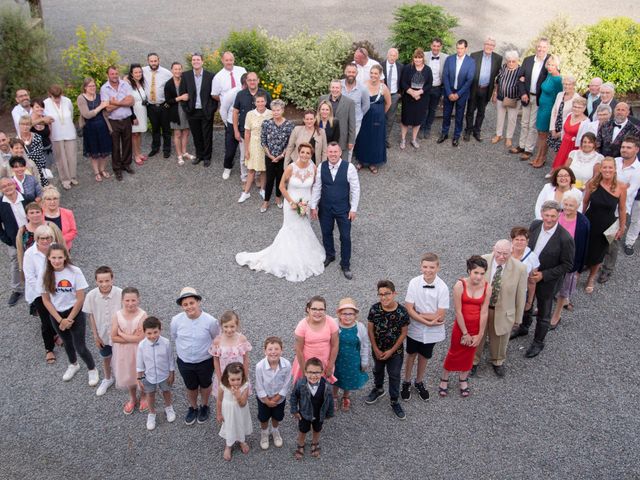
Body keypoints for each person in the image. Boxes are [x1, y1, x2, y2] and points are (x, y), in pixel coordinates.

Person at [236, 143, 326, 282]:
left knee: (304, 227)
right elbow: (281, 186)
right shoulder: (291, 167)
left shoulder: (313, 168)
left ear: (311, 155)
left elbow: (315, 186)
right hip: (291, 203)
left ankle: (303, 253)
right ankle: (287, 256)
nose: (305, 155)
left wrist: (311, 204)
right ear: (299, 152)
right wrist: (291, 202)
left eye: (308, 153)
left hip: (305, 203)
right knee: (291, 228)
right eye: (302, 152)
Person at [510, 201, 575, 358]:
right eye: (546, 215)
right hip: (528, 275)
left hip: (548, 281)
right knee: (526, 301)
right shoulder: (535, 225)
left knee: (544, 312)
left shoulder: (565, 238)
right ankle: (524, 327)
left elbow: (568, 265)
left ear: (559, 215)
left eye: (553, 216)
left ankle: (538, 341)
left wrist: (544, 275)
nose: (549, 219)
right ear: (541, 213)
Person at [38, 242, 99, 384]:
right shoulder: (45, 274)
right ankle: (73, 364)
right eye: (53, 258)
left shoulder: (74, 271)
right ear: (48, 258)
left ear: (65, 256)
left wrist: (69, 319)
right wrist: (60, 320)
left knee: (80, 346)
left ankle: (92, 369)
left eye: (60, 257)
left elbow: (80, 298)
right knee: (66, 342)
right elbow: (46, 301)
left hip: (74, 313)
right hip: (57, 314)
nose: (57, 261)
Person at [471, 240, 526, 378]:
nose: (501, 257)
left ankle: (497, 361)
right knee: (478, 335)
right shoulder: (482, 260)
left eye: (505, 254)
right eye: (499, 253)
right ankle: (473, 361)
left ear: (511, 252)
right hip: (481, 309)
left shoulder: (520, 268)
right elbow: (471, 284)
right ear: (493, 249)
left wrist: (518, 319)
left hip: (503, 311)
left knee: (500, 338)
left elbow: (520, 295)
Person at [439, 256, 491, 397]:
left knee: (469, 354)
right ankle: (445, 377)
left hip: (476, 326)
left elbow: (485, 311)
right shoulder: (460, 285)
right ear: (469, 271)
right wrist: (465, 333)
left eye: (482, 273)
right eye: (476, 273)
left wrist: (480, 334)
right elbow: (458, 311)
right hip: (461, 326)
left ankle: (463, 379)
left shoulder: (487, 287)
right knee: (454, 351)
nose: (479, 277)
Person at [310, 142, 361, 280]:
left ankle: (345, 264)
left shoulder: (349, 167)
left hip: (343, 209)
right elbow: (317, 187)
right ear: (327, 153)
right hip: (325, 208)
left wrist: (353, 209)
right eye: (330, 152)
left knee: (345, 236)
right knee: (326, 233)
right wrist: (313, 206)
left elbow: (355, 189)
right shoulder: (321, 166)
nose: (332, 154)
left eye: (335, 152)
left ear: (340, 153)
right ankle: (330, 255)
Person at [403, 252, 449, 401]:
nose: (428, 270)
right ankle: (407, 381)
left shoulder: (443, 288)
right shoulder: (413, 283)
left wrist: (419, 314)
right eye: (425, 267)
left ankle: (419, 381)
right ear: (420, 266)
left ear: (438, 268)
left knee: (424, 356)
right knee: (411, 354)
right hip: (415, 330)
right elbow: (408, 308)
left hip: (432, 332)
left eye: (431, 267)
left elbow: (440, 315)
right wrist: (428, 319)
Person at [170, 287, 219, 425]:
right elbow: (174, 336)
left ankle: (204, 405)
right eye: (185, 304)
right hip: (185, 361)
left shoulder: (210, 321)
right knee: (190, 386)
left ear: (198, 302)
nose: (189, 307)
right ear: (181, 306)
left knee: (205, 384)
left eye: (191, 303)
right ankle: (193, 407)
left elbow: (216, 337)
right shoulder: (176, 321)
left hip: (205, 361)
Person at [365, 279, 410, 420]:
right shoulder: (374, 309)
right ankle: (378, 389)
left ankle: (394, 400)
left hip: (395, 352)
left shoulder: (402, 312)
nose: (384, 297)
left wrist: (391, 351)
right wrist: (375, 348)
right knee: (377, 370)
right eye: (381, 294)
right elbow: (370, 330)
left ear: (394, 293)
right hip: (377, 349)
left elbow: (404, 333)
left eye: (387, 294)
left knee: (394, 375)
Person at [583, 157, 627, 291]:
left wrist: (621, 227)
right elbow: (585, 202)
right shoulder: (593, 183)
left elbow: (622, 209)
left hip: (607, 225)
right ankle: (578, 272)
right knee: (585, 248)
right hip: (590, 221)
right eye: (605, 167)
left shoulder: (621, 187)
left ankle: (591, 277)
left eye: (610, 167)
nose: (607, 170)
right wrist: (581, 220)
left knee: (599, 253)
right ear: (601, 169)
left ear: (614, 169)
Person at [599, 138, 640, 278]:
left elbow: (628, 191)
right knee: (598, 235)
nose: (625, 149)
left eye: (629, 147)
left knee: (612, 241)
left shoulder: (638, 170)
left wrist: (610, 184)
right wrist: (620, 186)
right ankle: (595, 261)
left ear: (636, 150)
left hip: (619, 211)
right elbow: (601, 178)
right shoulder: (614, 161)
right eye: (623, 147)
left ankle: (607, 269)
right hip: (603, 206)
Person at [549, 191, 590, 327]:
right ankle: (545, 307)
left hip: (569, 262)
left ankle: (557, 314)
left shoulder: (583, 223)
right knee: (549, 285)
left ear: (578, 205)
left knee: (564, 289)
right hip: (552, 259)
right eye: (565, 204)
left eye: (571, 205)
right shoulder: (556, 215)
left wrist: (578, 269)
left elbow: (583, 246)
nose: (567, 208)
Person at [22, 225, 62, 362]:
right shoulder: (29, 254)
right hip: (39, 292)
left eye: (48, 238)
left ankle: (56, 335)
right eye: (42, 238)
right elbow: (30, 277)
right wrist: (44, 292)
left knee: (57, 314)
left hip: (56, 289)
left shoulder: (55, 247)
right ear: (37, 238)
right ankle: (49, 348)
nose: (45, 241)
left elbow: (62, 265)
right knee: (45, 320)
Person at [83, 265, 122, 397]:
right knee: (106, 357)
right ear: (96, 281)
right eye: (101, 281)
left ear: (112, 279)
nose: (104, 284)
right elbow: (91, 315)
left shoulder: (121, 293)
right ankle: (107, 378)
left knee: (121, 356)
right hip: (103, 334)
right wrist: (95, 335)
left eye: (107, 280)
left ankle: (123, 377)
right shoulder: (91, 296)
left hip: (118, 334)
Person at [111, 287, 147, 414]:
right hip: (123, 351)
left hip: (139, 351)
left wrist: (123, 335)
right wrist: (133, 338)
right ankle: (132, 398)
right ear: (122, 300)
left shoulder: (142, 315)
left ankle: (143, 395)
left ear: (138, 300)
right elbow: (114, 337)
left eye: (133, 300)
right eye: (127, 300)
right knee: (127, 374)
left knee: (140, 373)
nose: (130, 303)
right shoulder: (117, 315)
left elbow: (142, 337)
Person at [136, 316, 176, 431]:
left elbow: (170, 359)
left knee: (166, 391)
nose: (152, 336)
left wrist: (172, 373)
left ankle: (169, 407)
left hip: (164, 374)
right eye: (149, 333)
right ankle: (152, 413)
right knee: (150, 394)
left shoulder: (166, 343)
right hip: (149, 376)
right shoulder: (142, 346)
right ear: (144, 332)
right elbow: (140, 363)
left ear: (160, 330)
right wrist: (139, 378)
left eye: (155, 332)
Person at [291, 357, 335, 460]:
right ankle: (301, 445)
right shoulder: (300, 384)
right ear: (305, 372)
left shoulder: (327, 386)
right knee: (303, 430)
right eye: (310, 372)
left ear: (322, 373)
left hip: (319, 414)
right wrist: (294, 410)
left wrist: (329, 413)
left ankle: (315, 443)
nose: (313, 375)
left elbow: (330, 400)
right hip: (304, 414)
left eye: (316, 372)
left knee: (317, 429)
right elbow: (294, 397)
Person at [179, 53, 216, 167]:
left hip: (206, 111)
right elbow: (182, 93)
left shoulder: (210, 76)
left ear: (202, 61)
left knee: (207, 135)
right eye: (194, 60)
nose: (196, 61)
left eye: (198, 60)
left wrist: (212, 110)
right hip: (192, 111)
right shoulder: (186, 76)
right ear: (192, 62)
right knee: (196, 135)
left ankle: (207, 157)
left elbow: (214, 95)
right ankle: (199, 155)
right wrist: (186, 109)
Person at [515, 38, 550, 160]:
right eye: (539, 46)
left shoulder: (550, 61)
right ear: (536, 47)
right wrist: (523, 93)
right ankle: (521, 145)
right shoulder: (528, 60)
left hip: (539, 98)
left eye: (544, 47)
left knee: (532, 125)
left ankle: (529, 149)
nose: (541, 49)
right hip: (526, 96)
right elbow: (520, 78)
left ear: (548, 48)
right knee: (524, 123)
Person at [332, 297, 369, 412]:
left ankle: (346, 396)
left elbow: (364, 345)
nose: (347, 316)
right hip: (336, 359)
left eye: (350, 314)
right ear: (339, 314)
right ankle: (334, 396)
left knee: (349, 378)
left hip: (353, 359)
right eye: (344, 313)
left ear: (355, 315)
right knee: (335, 378)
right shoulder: (333, 324)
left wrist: (364, 361)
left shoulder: (360, 327)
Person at [255, 336, 291, 450]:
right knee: (264, 417)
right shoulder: (259, 366)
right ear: (265, 351)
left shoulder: (287, 365)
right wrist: (266, 401)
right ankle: (264, 433)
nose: (273, 352)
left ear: (282, 350)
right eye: (270, 349)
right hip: (264, 399)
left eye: (276, 349)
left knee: (277, 416)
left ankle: (275, 431)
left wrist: (276, 399)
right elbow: (259, 385)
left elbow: (287, 383)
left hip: (279, 398)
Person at [233, 72, 272, 178]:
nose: (252, 82)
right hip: (244, 132)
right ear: (246, 81)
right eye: (250, 80)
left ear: (258, 80)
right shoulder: (240, 94)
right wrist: (235, 130)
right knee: (244, 157)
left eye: (254, 80)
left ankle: (258, 177)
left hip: (261, 135)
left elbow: (271, 113)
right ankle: (245, 178)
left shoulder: (265, 94)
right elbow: (235, 112)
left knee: (260, 157)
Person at [291, 296, 339, 382]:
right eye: (314, 309)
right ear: (308, 309)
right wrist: (304, 371)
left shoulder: (331, 322)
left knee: (323, 389)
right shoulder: (302, 326)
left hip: (324, 363)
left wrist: (330, 366)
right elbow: (299, 350)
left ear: (325, 310)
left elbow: (335, 345)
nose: (317, 312)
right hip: (306, 364)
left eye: (321, 309)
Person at [438, 39, 476, 147]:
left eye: (461, 48)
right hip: (449, 92)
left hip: (461, 94)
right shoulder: (450, 59)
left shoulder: (471, 62)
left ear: (466, 49)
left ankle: (456, 136)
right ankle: (444, 133)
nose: (459, 50)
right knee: (446, 114)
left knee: (459, 116)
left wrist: (458, 94)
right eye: (458, 48)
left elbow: (469, 80)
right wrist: (449, 93)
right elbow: (445, 76)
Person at [464, 37, 503, 142]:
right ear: (484, 45)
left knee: (481, 111)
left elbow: (498, 76)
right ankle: (468, 130)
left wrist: (495, 92)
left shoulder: (498, 58)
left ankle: (477, 131)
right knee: (470, 110)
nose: (489, 47)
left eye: (491, 45)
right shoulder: (474, 55)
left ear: (494, 47)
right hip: (474, 88)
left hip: (486, 89)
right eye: (487, 44)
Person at [100, 65, 135, 181]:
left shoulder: (125, 84)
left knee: (127, 143)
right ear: (108, 75)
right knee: (115, 146)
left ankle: (126, 164)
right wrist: (122, 102)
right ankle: (117, 169)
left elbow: (131, 101)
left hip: (126, 119)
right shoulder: (104, 88)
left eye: (116, 73)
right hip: (113, 121)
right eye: (112, 74)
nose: (115, 76)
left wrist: (115, 103)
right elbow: (107, 109)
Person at [260, 99, 295, 212]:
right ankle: (266, 201)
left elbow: (291, 143)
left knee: (281, 178)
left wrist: (282, 155)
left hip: (283, 157)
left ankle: (278, 197)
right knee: (269, 179)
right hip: (269, 156)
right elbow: (263, 141)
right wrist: (269, 155)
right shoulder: (266, 123)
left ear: (282, 110)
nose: (275, 112)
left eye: (278, 110)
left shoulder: (289, 125)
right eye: (273, 110)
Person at [355, 64, 391, 172]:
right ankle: (361, 160)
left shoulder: (383, 88)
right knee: (363, 138)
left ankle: (373, 163)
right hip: (365, 117)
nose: (373, 75)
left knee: (376, 140)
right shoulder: (364, 85)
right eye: (371, 73)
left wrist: (380, 114)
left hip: (378, 119)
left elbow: (388, 103)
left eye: (376, 73)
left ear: (380, 75)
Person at [544, 77, 584, 172]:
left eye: (569, 84)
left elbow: (574, 117)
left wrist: (561, 132)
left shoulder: (577, 98)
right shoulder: (560, 94)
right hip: (556, 125)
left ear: (574, 85)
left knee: (563, 152)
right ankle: (555, 169)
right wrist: (553, 128)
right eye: (565, 84)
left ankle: (561, 171)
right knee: (555, 150)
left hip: (566, 128)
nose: (567, 86)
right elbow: (554, 110)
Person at [529, 55, 563, 168]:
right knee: (540, 133)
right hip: (542, 107)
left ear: (557, 66)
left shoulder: (558, 79)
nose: (550, 67)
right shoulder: (549, 75)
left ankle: (541, 158)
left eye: (553, 65)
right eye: (548, 64)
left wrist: (555, 113)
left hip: (549, 110)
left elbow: (559, 97)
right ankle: (538, 156)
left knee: (544, 134)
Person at [238, 92, 272, 203]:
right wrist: (246, 149)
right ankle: (246, 192)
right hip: (253, 143)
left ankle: (262, 190)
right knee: (251, 169)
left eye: (262, 101)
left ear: (266, 102)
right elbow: (247, 133)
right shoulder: (250, 114)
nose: (260, 103)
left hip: (265, 145)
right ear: (255, 102)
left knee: (263, 169)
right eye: (258, 101)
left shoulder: (271, 114)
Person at [76, 78, 112, 182]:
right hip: (90, 128)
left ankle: (102, 169)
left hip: (102, 126)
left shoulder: (100, 96)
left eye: (94, 86)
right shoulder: (81, 98)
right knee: (94, 152)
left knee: (104, 150)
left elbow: (106, 112)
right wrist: (101, 106)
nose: (92, 88)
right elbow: (87, 115)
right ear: (85, 87)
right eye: (90, 86)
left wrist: (108, 108)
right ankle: (96, 172)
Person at [210, 310, 252, 397]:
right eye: (226, 326)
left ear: (237, 325)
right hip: (224, 376)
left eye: (232, 326)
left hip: (239, 376)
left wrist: (245, 376)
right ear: (221, 326)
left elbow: (246, 359)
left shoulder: (241, 339)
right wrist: (219, 378)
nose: (229, 330)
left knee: (239, 399)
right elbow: (216, 361)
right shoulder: (217, 341)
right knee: (224, 400)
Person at [15, 201, 64, 277]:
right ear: (27, 216)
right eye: (31, 213)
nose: (35, 215)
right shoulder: (22, 231)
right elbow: (20, 250)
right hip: (32, 266)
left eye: (37, 212)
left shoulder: (51, 226)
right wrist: (21, 268)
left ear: (42, 213)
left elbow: (62, 244)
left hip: (53, 264)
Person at [216, 362, 252, 461]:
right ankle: (228, 445)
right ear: (227, 378)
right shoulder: (223, 386)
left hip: (240, 410)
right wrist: (219, 413)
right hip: (228, 411)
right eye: (232, 379)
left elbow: (243, 403)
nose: (236, 382)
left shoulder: (245, 386)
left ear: (242, 377)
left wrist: (237, 395)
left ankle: (241, 440)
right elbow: (219, 400)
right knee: (230, 425)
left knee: (240, 423)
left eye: (238, 379)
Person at [44, 85, 78, 188]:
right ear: (50, 95)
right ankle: (65, 179)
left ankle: (72, 177)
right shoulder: (45, 103)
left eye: (59, 96)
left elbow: (71, 114)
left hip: (69, 132)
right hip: (56, 134)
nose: (58, 99)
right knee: (61, 158)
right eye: (55, 97)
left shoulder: (67, 101)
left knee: (71, 157)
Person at [0, 177, 27, 306]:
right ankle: (17, 289)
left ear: (14, 184)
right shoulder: (1, 204)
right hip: (13, 239)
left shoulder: (27, 198)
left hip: (31, 236)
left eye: (9, 184)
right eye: (4, 186)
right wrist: (7, 240)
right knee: (15, 263)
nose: (7, 187)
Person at [399, 48, 432, 150]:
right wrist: (412, 92)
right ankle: (403, 139)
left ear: (423, 59)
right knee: (405, 120)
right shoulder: (407, 68)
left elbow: (429, 84)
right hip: (408, 98)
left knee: (417, 120)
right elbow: (403, 82)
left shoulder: (427, 70)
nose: (417, 60)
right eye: (416, 58)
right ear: (413, 58)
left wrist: (419, 92)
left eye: (420, 58)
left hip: (421, 99)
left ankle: (413, 139)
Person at [143, 53, 173, 159]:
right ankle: (155, 148)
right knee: (155, 129)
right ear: (148, 61)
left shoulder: (166, 73)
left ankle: (167, 149)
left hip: (163, 105)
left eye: (155, 61)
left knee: (166, 129)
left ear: (158, 60)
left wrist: (170, 102)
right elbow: (132, 74)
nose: (153, 63)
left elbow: (174, 84)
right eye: (151, 61)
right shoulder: (144, 71)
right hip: (151, 106)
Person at [491, 50, 522, 150]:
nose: (511, 63)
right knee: (500, 117)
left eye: (513, 61)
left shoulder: (520, 70)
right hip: (501, 96)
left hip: (514, 99)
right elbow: (497, 81)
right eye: (509, 61)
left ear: (517, 61)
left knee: (512, 119)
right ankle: (498, 135)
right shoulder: (503, 67)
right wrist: (495, 93)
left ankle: (509, 137)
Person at [164, 62, 192, 166]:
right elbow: (168, 101)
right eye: (175, 69)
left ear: (182, 70)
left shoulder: (185, 81)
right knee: (177, 134)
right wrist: (180, 98)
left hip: (185, 110)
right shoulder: (168, 84)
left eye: (179, 69)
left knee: (186, 132)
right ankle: (179, 155)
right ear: (172, 70)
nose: (177, 71)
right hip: (174, 111)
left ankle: (184, 152)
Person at [318, 80, 356, 155]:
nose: (335, 90)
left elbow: (352, 123)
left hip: (342, 138)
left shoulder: (349, 102)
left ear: (341, 89)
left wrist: (351, 140)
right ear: (330, 88)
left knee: (342, 160)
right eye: (333, 87)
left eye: (337, 88)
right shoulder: (322, 99)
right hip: (325, 135)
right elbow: (318, 116)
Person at [221, 73, 247, 179]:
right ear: (244, 84)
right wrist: (227, 124)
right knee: (230, 149)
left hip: (246, 126)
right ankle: (227, 168)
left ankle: (245, 172)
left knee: (246, 150)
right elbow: (223, 109)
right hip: (232, 124)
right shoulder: (232, 93)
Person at [341, 63, 370, 161]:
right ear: (345, 72)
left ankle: (346, 166)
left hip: (355, 122)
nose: (351, 74)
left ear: (356, 73)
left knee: (350, 145)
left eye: (353, 72)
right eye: (349, 71)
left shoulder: (363, 88)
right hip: (340, 120)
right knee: (338, 143)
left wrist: (358, 116)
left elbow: (366, 105)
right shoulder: (339, 85)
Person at [420, 39, 448, 139]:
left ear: (441, 47)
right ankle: (421, 128)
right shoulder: (424, 55)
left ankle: (428, 128)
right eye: (434, 46)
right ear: (431, 46)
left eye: (438, 46)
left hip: (437, 88)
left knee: (432, 109)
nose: (436, 48)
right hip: (425, 88)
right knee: (423, 108)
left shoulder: (445, 57)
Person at [510, 226, 541, 314]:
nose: (519, 242)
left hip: (521, 294)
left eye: (522, 240)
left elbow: (532, 282)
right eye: (517, 239)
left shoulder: (532, 257)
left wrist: (529, 302)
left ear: (527, 241)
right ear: (512, 240)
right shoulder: (505, 252)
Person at [125, 64, 149, 165]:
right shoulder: (128, 84)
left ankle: (139, 152)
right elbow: (128, 102)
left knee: (139, 133)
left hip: (142, 111)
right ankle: (135, 155)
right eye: (136, 72)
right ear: (131, 73)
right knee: (134, 134)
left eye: (140, 72)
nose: (138, 74)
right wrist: (133, 117)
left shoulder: (141, 82)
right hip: (134, 112)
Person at [41, 186, 77, 250]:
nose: (52, 202)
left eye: (55, 198)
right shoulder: (39, 214)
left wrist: (60, 240)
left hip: (64, 248)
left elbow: (73, 231)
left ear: (59, 200)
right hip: (44, 249)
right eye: (49, 199)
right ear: (44, 201)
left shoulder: (68, 213)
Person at [381, 48, 404, 147]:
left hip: (394, 95)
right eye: (391, 55)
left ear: (397, 57)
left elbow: (403, 80)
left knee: (390, 119)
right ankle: (377, 138)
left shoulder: (400, 67)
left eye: (394, 55)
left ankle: (385, 139)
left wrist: (400, 93)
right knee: (380, 117)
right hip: (382, 95)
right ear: (387, 55)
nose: (392, 57)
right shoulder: (380, 65)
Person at [16, 116, 48, 186]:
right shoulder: (16, 140)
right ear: (19, 125)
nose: (25, 127)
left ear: (31, 125)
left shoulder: (37, 137)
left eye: (27, 124)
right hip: (25, 169)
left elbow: (38, 153)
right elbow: (16, 156)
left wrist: (24, 156)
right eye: (23, 124)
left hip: (40, 167)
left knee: (44, 188)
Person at [30, 98, 55, 171]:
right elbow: (27, 126)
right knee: (37, 172)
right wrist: (41, 120)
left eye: (42, 107)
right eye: (37, 107)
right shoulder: (28, 120)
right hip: (35, 152)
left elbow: (50, 132)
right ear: (32, 108)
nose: (40, 109)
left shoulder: (46, 119)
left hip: (47, 149)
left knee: (47, 172)